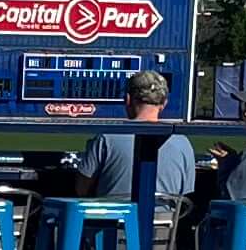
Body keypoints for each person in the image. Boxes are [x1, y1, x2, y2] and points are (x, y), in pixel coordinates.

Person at [65, 69, 193, 204]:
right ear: (164, 103)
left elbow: (82, 189)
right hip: (164, 222)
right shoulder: (183, 143)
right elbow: (186, 194)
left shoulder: (107, 138)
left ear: (128, 99)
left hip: (112, 222)